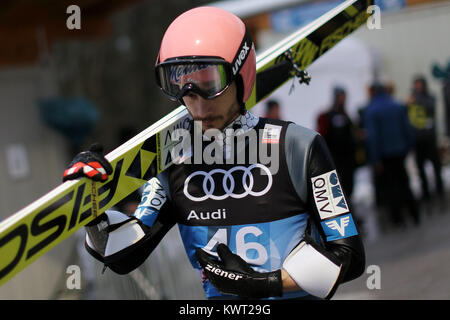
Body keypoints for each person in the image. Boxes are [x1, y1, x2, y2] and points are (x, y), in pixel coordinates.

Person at [62, 7, 365, 300]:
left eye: (210, 83)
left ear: (240, 74)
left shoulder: (297, 145)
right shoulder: (175, 159)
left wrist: (263, 284)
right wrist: (90, 205)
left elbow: (348, 256)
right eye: (179, 85)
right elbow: (125, 255)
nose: (198, 105)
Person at [364, 83, 420, 228]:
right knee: (404, 182)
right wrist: (409, 147)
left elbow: (373, 137)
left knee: (390, 186)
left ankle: (398, 219)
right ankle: (415, 214)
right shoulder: (397, 106)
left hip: (384, 155)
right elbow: (406, 128)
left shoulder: (372, 111)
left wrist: (375, 159)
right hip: (400, 151)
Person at [316, 87, 357, 204]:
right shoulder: (328, 116)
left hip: (347, 159)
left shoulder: (346, 114)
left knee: (348, 186)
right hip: (335, 158)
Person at [406, 75, 444, 201]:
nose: (418, 87)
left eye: (420, 84)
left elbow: (430, 106)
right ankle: (426, 193)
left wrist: (416, 99)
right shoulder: (410, 99)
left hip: (429, 138)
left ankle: (440, 190)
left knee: (436, 166)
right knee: (420, 168)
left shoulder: (428, 97)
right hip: (418, 139)